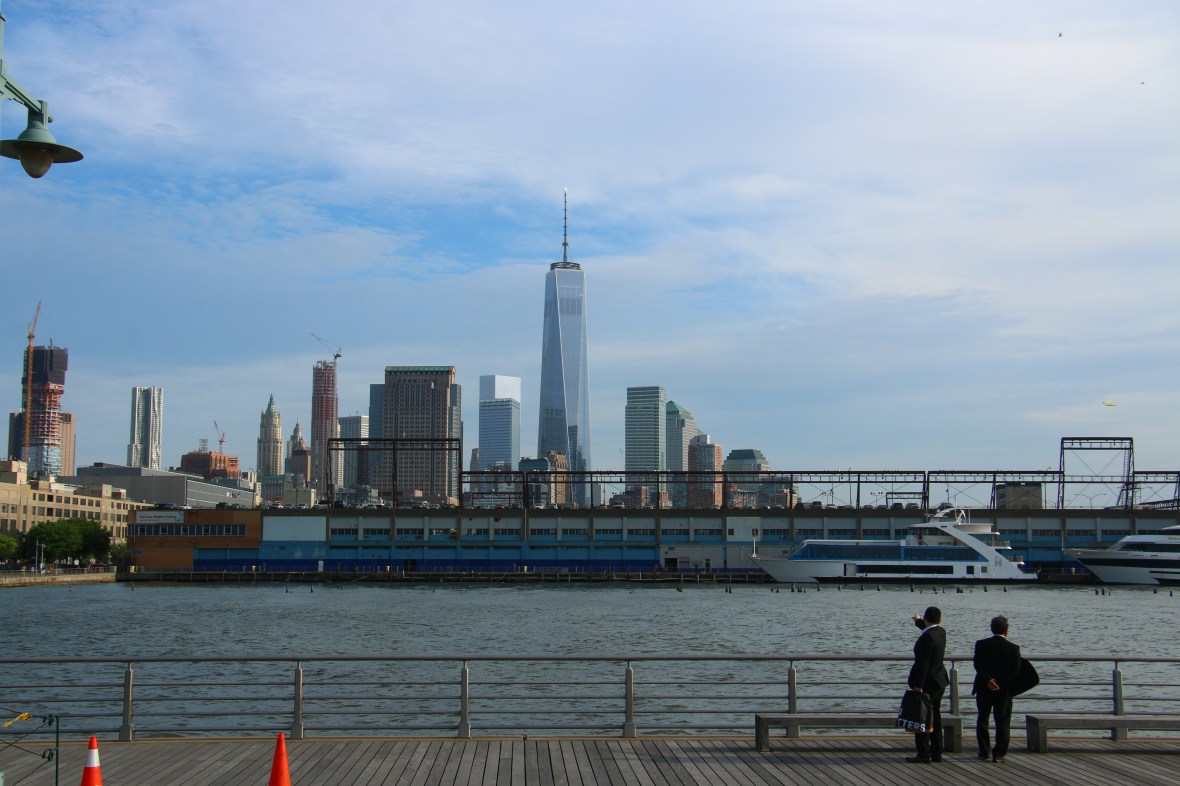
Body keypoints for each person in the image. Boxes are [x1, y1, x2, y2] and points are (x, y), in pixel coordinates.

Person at [972, 615, 1022, 763]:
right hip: (1004, 690)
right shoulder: (1014, 649)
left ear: (991, 628)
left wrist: (989, 680)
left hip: (983, 687)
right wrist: (999, 682)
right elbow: (1015, 671)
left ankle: (984, 750)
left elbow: (977, 665)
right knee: (1003, 721)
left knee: (983, 719)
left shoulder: (980, 644)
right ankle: (999, 752)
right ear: (1006, 631)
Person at [907, 606, 949, 763]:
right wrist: (918, 621)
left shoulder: (927, 638)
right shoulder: (941, 632)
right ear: (940, 620)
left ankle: (924, 753)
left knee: (922, 718)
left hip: (927, 683)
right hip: (940, 681)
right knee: (936, 717)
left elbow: (923, 664)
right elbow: (928, 629)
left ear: (926, 619)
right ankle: (937, 752)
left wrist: (918, 685)